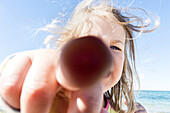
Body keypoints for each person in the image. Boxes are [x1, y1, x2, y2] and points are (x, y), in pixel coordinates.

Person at [0, 0, 159, 113]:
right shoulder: (60, 100)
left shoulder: (118, 110)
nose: (103, 55)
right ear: (65, 52)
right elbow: (25, 76)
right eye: (90, 43)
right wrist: (17, 71)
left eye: (115, 47)